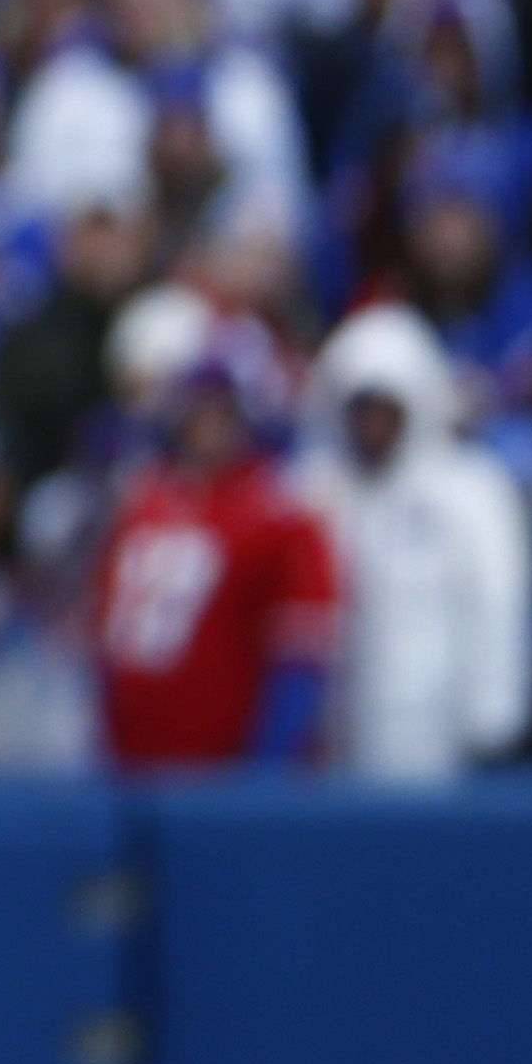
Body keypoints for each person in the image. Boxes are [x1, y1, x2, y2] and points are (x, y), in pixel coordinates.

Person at [290, 302, 532, 781]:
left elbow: (498, 600)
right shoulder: (310, 492)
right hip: (330, 736)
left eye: (387, 410)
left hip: (433, 732)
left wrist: (493, 712)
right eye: (361, 410)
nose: (373, 425)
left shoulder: (470, 491)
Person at [91, 317, 337, 766]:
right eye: (196, 411)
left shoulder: (280, 513)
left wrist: (269, 760)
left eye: (221, 412)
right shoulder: (142, 502)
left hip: (220, 766)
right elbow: (107, 636)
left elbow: (301, 654)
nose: (206, 426)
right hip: (130, 759)